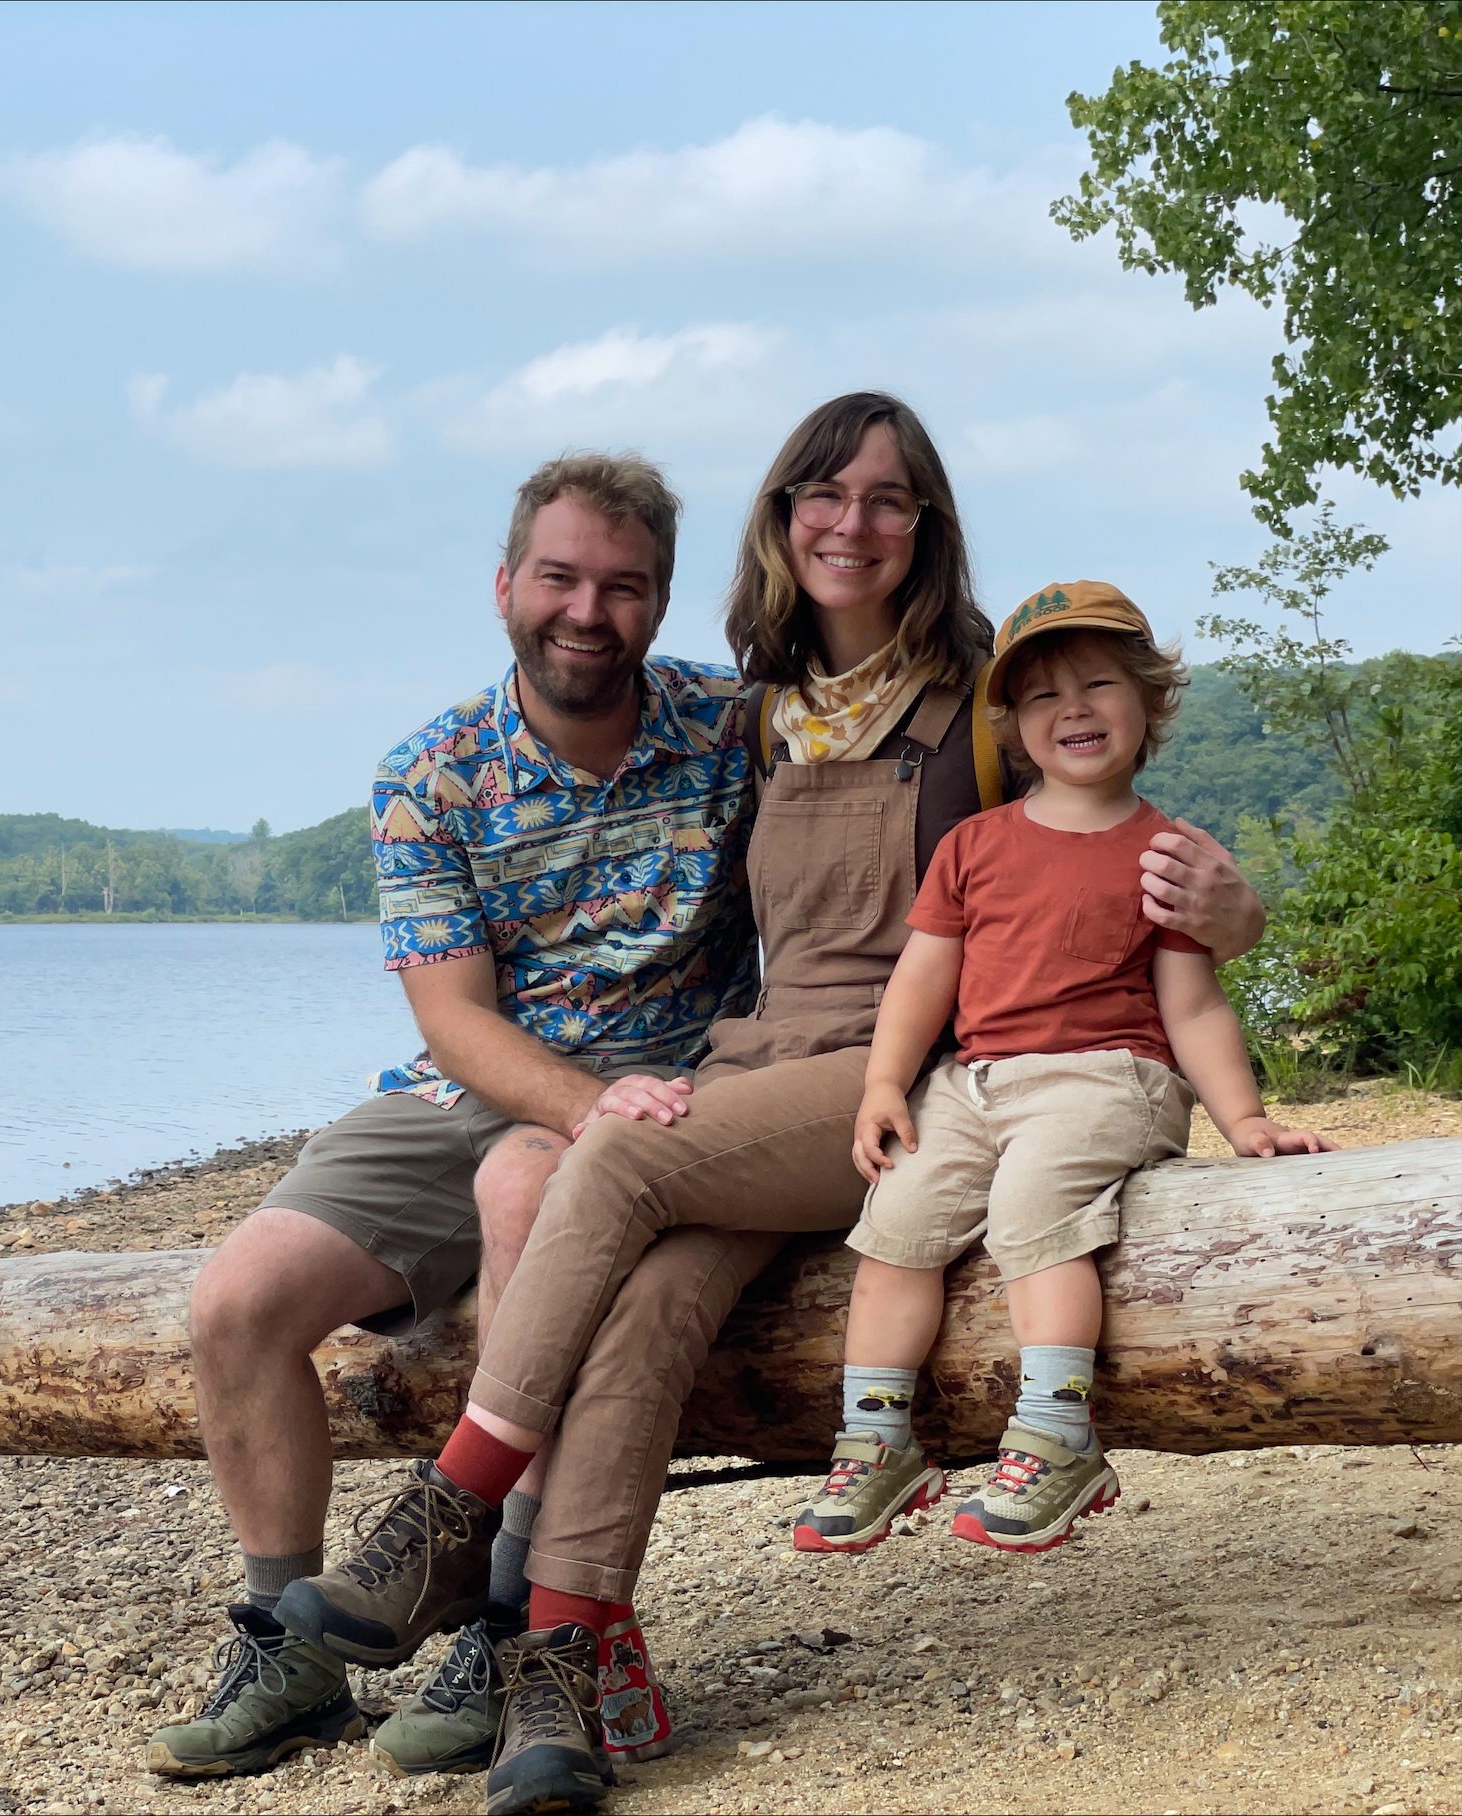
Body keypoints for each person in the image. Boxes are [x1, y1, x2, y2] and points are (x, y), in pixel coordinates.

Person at [271, 393, 1266, 1816]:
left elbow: (1118, 858)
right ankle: (562, 1664)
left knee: (608, 1161)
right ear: (782, 515)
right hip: (756, 1065)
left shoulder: (983, 701)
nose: (851, 523)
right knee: (656, 1301)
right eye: (824, 492)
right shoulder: (756, 710)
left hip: (900, 1087)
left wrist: (1239, 918)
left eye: (887, 499)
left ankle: (450, 1507)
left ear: (926, 529)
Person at [145, 451, 755, 1780]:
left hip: (654, 1102)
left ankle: (505, 1621)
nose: (587, 611)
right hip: (472, 1089)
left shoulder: (733, 733)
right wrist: (597, 1102)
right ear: (504, 586)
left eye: (623, 586)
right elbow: (454, 1022)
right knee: (236, 1301)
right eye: (561, 577)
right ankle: (290, 1644)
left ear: (660, 605)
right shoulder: (432, 772)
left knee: (526, 1192)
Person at [793, 582, 1330, 1558]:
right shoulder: (971, 845)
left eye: (1097, 684)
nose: (1071, 709)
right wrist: (883, 1083)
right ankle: (875, 1441)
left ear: (1149, 700)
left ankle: (1056, 1433)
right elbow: (921, 981)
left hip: (1106, 1075)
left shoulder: (1162, 852)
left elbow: (1192, 1003)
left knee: (1030, 1207)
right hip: (974, 1080)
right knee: (894, 1224)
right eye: (1041, 696)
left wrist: (1244, 1119)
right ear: (1011, 726)